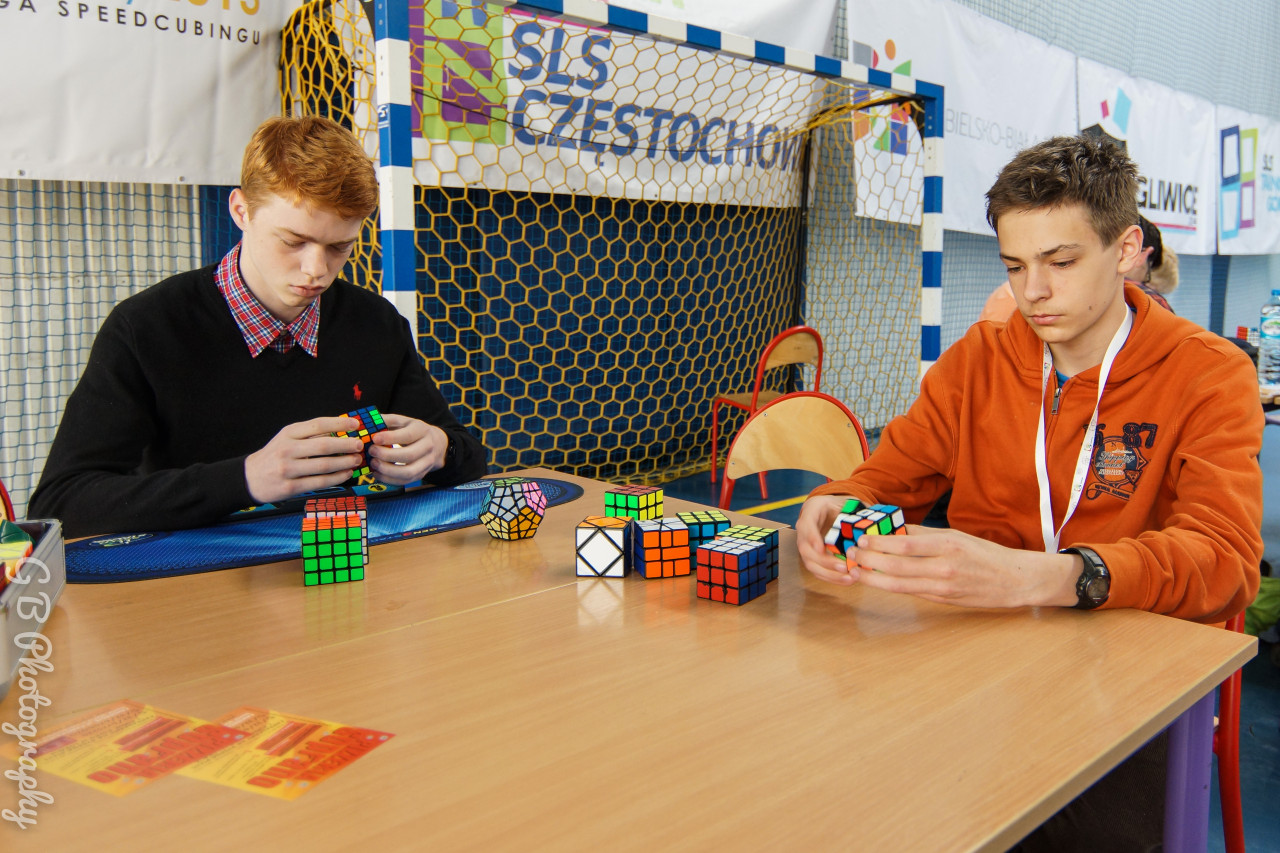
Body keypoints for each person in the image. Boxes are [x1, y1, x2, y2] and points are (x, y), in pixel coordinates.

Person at [796, 135, 1262, 850]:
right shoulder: (979, 358)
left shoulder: (1210, 375)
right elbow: (889, 477)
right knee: (856, 790)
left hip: (1125, 681)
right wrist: (833, 502)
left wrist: (1055, 574)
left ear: (1126, 248)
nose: (1032, 291)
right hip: (978, 658)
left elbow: (1224, 561)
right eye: (1014, 266)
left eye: (1061, 262)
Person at [29, 115, 487, 538]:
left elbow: (469, 455)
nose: (316, 271)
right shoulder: (146, 328)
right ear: (241, 211)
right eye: (294, 240)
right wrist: (247, 478)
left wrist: (440, 448)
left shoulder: (375, 323)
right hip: (198, 589)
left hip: (353, 578)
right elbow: (63, 503)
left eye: (339, 248)